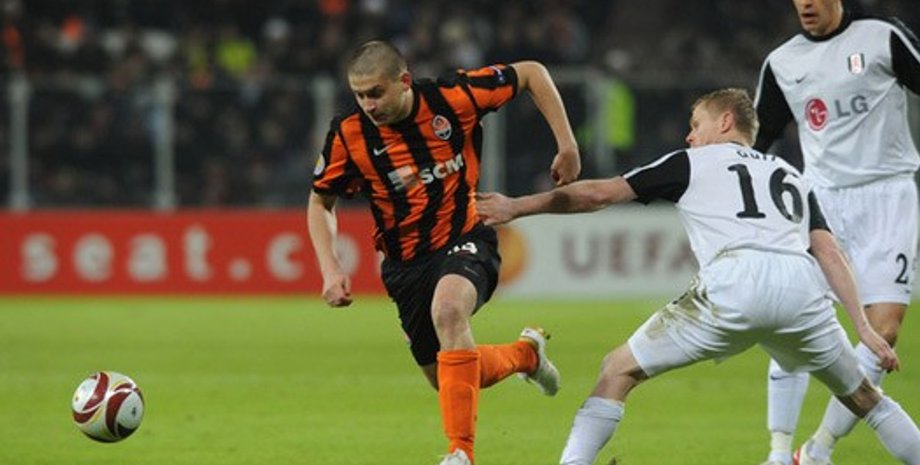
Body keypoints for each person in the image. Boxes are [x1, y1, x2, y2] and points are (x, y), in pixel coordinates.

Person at [476, 88, 920, 465]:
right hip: (801, 289)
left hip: (735, 280)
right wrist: (863, 327)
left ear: (725, 121)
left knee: (616, 369)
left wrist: (518, 206)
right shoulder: (790, 174)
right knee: (867, 400)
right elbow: (828, 251)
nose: (689, 136)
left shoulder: (693, 162)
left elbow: (597, 194)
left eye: (696, 124)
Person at [307, 40, 581, 465]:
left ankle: (460, 454)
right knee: (449, 376)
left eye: (376, 93)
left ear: (404, 81)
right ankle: (525, 355)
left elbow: (532, 71)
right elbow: (320, 202)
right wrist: (330, 268)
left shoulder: (453, 98)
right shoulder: (349, 134)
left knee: (449, 310)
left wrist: (567, 145)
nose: (368, 105)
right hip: (404, 265)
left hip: (466, 236)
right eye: (359, 95)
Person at [752, 1, 920, 464]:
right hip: (821, 201)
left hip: (888, 196)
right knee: (792, 319)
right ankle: (778, 453)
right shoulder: (782, 62)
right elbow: (756, 141)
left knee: (885, 330)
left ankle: (818, 449)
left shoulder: (882, 37)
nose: (805, 3)